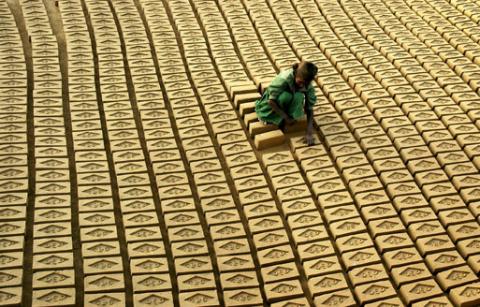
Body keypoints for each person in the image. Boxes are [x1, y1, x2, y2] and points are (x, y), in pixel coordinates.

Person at [255, 61, 318, 145]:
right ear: (296, 74)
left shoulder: (307, 84)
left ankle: (289, 117)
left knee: (298, 97)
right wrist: (286, 118)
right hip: (273, 104)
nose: (302, 85)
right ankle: (275, 118)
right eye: (300, 82)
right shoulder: (283, 79)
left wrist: (309, 132)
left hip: (288, 103)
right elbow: (271, 101)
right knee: (285, 96)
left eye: (305, 83)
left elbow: (309, 108)